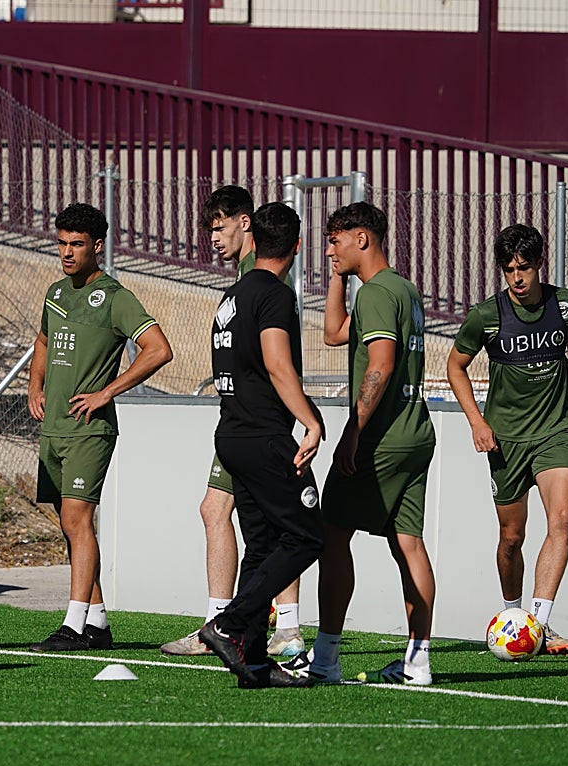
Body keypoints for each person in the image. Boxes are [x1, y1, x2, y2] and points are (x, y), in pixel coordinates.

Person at [284, 201, 438, 685]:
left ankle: (326, 659)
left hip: (382, 439)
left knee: (330, 535)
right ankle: (418, 662)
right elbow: (333, 334)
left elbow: (381, 364)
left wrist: (353, 430)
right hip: (416, 433)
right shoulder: (401, 290)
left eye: (336, 240)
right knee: (408, 544)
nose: (328, 249)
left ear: (362, 239)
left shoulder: (376, 293)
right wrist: (339, 276)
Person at [161, 185, 305, 659]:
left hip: (256, 423)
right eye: (209, 231)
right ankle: (241, 623)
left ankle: (273, 625)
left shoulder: (263, 280)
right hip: (244, 421)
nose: (214, 239)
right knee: (247, 518)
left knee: (275, 521)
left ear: (247, 224)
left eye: (220, 227)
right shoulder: (249, 280)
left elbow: (276, 359)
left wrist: (300, 416)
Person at [28, 202, 174, 651]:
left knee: (77, 519)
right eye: (61, 243)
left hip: (89, 429)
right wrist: (35, 385)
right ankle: (98, 622)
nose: (67, 252)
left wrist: (107, 391)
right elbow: (44, 340)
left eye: (76, 244)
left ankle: (72, 625)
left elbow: (158, 349)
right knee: (71, 525)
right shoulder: (56, 292)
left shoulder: (114, 297)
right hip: (53, 428)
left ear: (96, 246)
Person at [194, 202, 324, 689]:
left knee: (263, 543)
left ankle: (250, 657)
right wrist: (309, 421)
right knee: (308, 535)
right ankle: (228, 623)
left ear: (253, 241)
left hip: (231, 435)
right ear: (295, 247)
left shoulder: (233, 294)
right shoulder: (274, 294)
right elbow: (276, 364)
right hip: (263, 435)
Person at [446, 223, 568, 655]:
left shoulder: (565, 304)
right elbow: (456, 367)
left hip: (554, 430)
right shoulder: (485, 316)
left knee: (561, 519)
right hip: (505, 440)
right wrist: (476, 421)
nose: (517, 278)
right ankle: (513, 614)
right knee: (512, 537)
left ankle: (538, 626)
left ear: (539, 265)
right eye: (508, 269)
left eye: (524, 268)